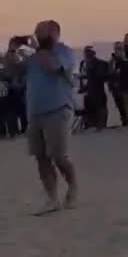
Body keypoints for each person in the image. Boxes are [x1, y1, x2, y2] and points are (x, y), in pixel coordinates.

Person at [25, 20, 79, 215]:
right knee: (41, 157)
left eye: (41, 32)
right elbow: (12, 72)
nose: (37, 35)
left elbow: (54, 68)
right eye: (36, 32)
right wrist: (12, 51)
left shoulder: (63, 51)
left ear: (54, 32)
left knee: (59, 156)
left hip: (58, 108)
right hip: (35, 112)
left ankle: (73, 188)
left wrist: (38, 50)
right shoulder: (33, 57)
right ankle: (52, 198)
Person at [80, 46, 111, 131]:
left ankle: (101, 126)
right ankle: (90, 125)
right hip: (89, 91)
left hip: (98, 90)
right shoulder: (83, 63)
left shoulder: (100, 63)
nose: (87, 55)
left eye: (89, 52)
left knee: (100, 108)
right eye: (86, 52)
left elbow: (101, 77)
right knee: (90, 109)